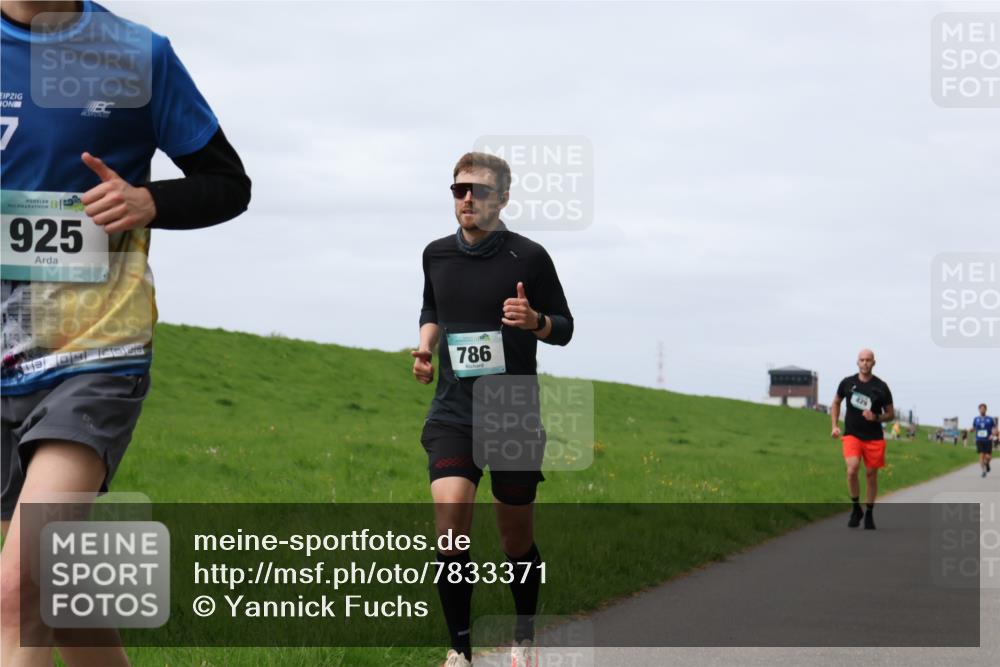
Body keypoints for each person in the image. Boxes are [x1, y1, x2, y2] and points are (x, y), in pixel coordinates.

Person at [1, 2, 250, 665]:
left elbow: (228, 184)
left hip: (94, 348)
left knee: (13, 595)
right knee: (60, 583)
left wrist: (150, 201)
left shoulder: (138, 54)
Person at [412, 152, 573, 667]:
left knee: (514, 537)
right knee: (450, 524)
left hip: (511, 412)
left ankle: (523, 638)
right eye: (459, 190)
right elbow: (432, 306)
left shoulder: (529, 258)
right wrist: (425, 345)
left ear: (502, 198)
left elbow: (565, 327)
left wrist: (535, 321)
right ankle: (459, 649)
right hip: (452, 411)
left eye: (478, 191)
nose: (466, 199)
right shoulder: (435, 254)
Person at [830, 349, 894, 530]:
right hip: (852, 434)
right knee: (852, 469)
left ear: (874, 363)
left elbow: (890, 414)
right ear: (857, 362)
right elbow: (836, 402)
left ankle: (869, 513)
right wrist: (834, 426)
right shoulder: (847, 383)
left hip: (874, 438)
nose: (865, 363)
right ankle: (855, 507)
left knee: (871, 475)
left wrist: (876, 417)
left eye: (868, 360)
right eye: (862, 360)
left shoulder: (881, 387)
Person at [972, 404, 996, 478]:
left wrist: (993, 434)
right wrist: (970, 430)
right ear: (979, 410)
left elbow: (995, 428)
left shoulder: (990, 419)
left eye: (983, 409)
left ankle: (987, 464)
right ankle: (983, 471)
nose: (982, 410)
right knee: (982, 455)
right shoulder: (976, 419)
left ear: (986, 409)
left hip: (988, 440)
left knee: (988, 457)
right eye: (981, 409)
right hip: (979, 439)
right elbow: (974, 428)